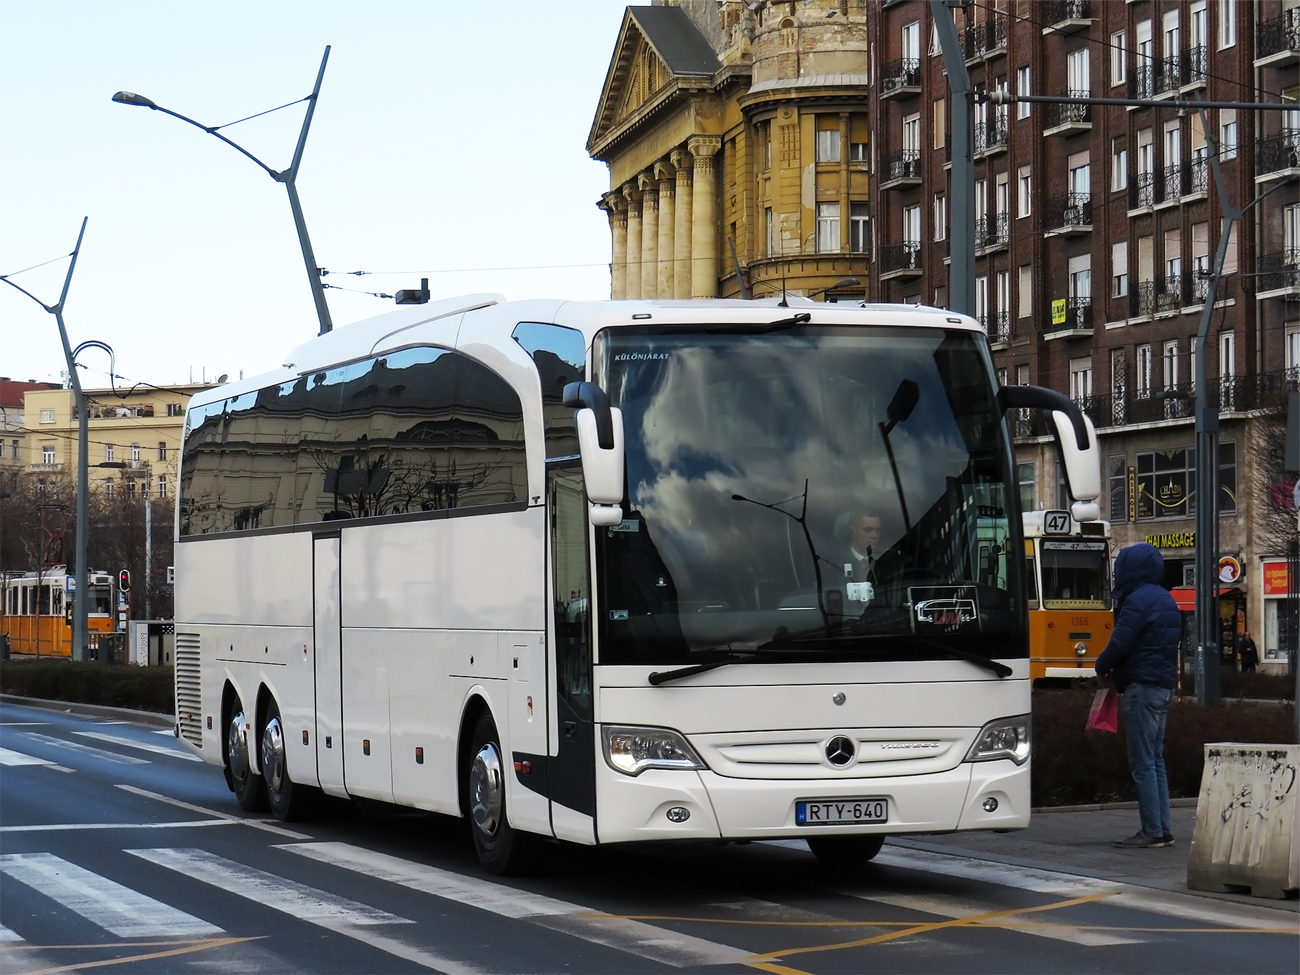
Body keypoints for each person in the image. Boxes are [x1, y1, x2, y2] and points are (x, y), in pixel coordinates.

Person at [1094, 542, 1182, 849]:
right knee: (1155, 759)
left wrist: (1101, 666)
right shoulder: (1167, 599)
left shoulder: (1136, 601)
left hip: (1140, 688)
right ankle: (1163, 828)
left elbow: (1120, 642)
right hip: (1163, 686)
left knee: (1142, 761)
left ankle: (1152, 831)